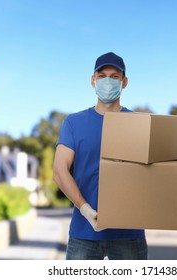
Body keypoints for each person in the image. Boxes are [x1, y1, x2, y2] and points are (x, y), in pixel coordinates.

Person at [53, 52, 148, 260]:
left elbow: (159, 170)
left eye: (114, 77)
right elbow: (60, 171)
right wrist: (86, 210)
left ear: (124, 82)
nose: (108, 81)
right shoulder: (74, 123)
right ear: (93, 80)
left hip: (129, 235)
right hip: (83, 233)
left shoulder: (140, 124)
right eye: (102, 75)